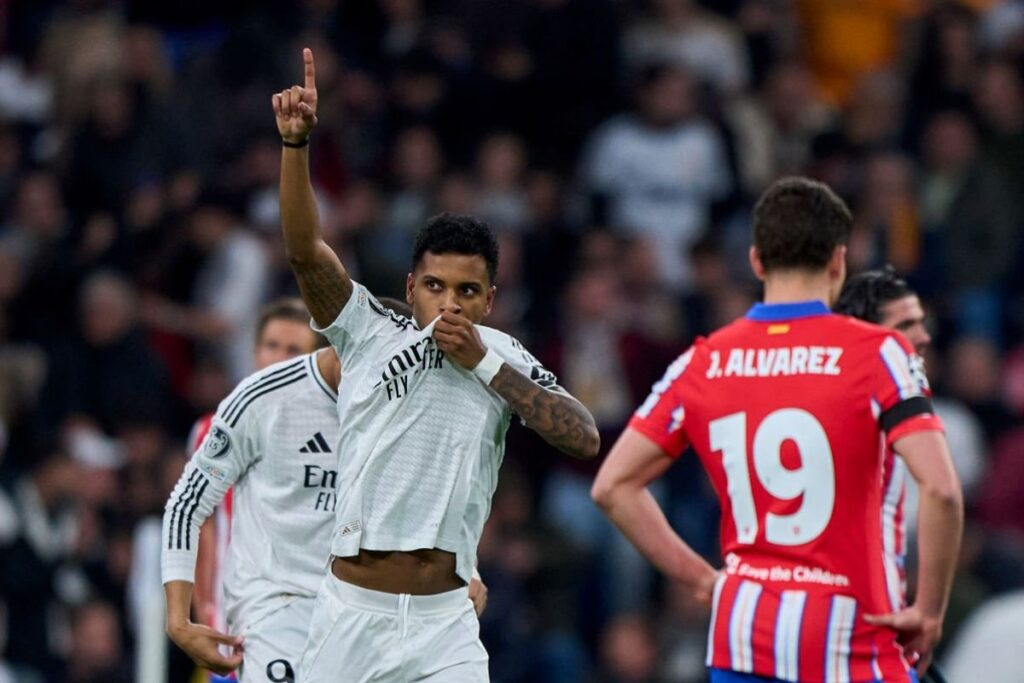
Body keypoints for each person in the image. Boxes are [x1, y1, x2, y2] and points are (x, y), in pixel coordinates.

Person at [272, 48, 599, 682]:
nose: (450, 303)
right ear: (411, 285)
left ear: (491, 300)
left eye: (468, 292)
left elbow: (584, 436)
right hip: (351, 615)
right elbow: (305, 251)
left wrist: (484, 365)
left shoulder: (504, 358)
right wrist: (295, 148)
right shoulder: (368, 331)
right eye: (435, 287)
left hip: (444, 627)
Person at [592, 177, 963, 682]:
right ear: (839, 260)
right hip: (851, 639)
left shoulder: (702, 362)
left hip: (742, 635)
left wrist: (703, 581)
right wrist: (930, 610)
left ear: (756, 262)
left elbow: (613, 486)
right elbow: (940, 489)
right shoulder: (880, 353)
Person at [162, 298, 490, 682]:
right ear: (342, 344)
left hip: (365, 611)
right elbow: (187, 505)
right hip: (276, 607)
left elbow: (435, 505)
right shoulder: (263, 398)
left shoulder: (403, 407)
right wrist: (179, 619)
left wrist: (470, 569)